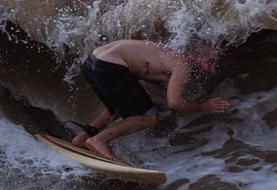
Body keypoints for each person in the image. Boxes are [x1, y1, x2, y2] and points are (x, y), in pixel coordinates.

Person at [71, 39, 230, 161]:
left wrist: (167, 94)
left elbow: (144, 83)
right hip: (110, 66)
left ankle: (81, 138)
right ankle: (99, 140)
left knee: (114, 107)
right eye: (210, 62)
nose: (212, 69)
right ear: (196, 53)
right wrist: (203, 107)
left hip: (93, 61)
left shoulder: (166, 54)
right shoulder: (181, 65)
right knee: (149, 117)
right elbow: (173, 103)